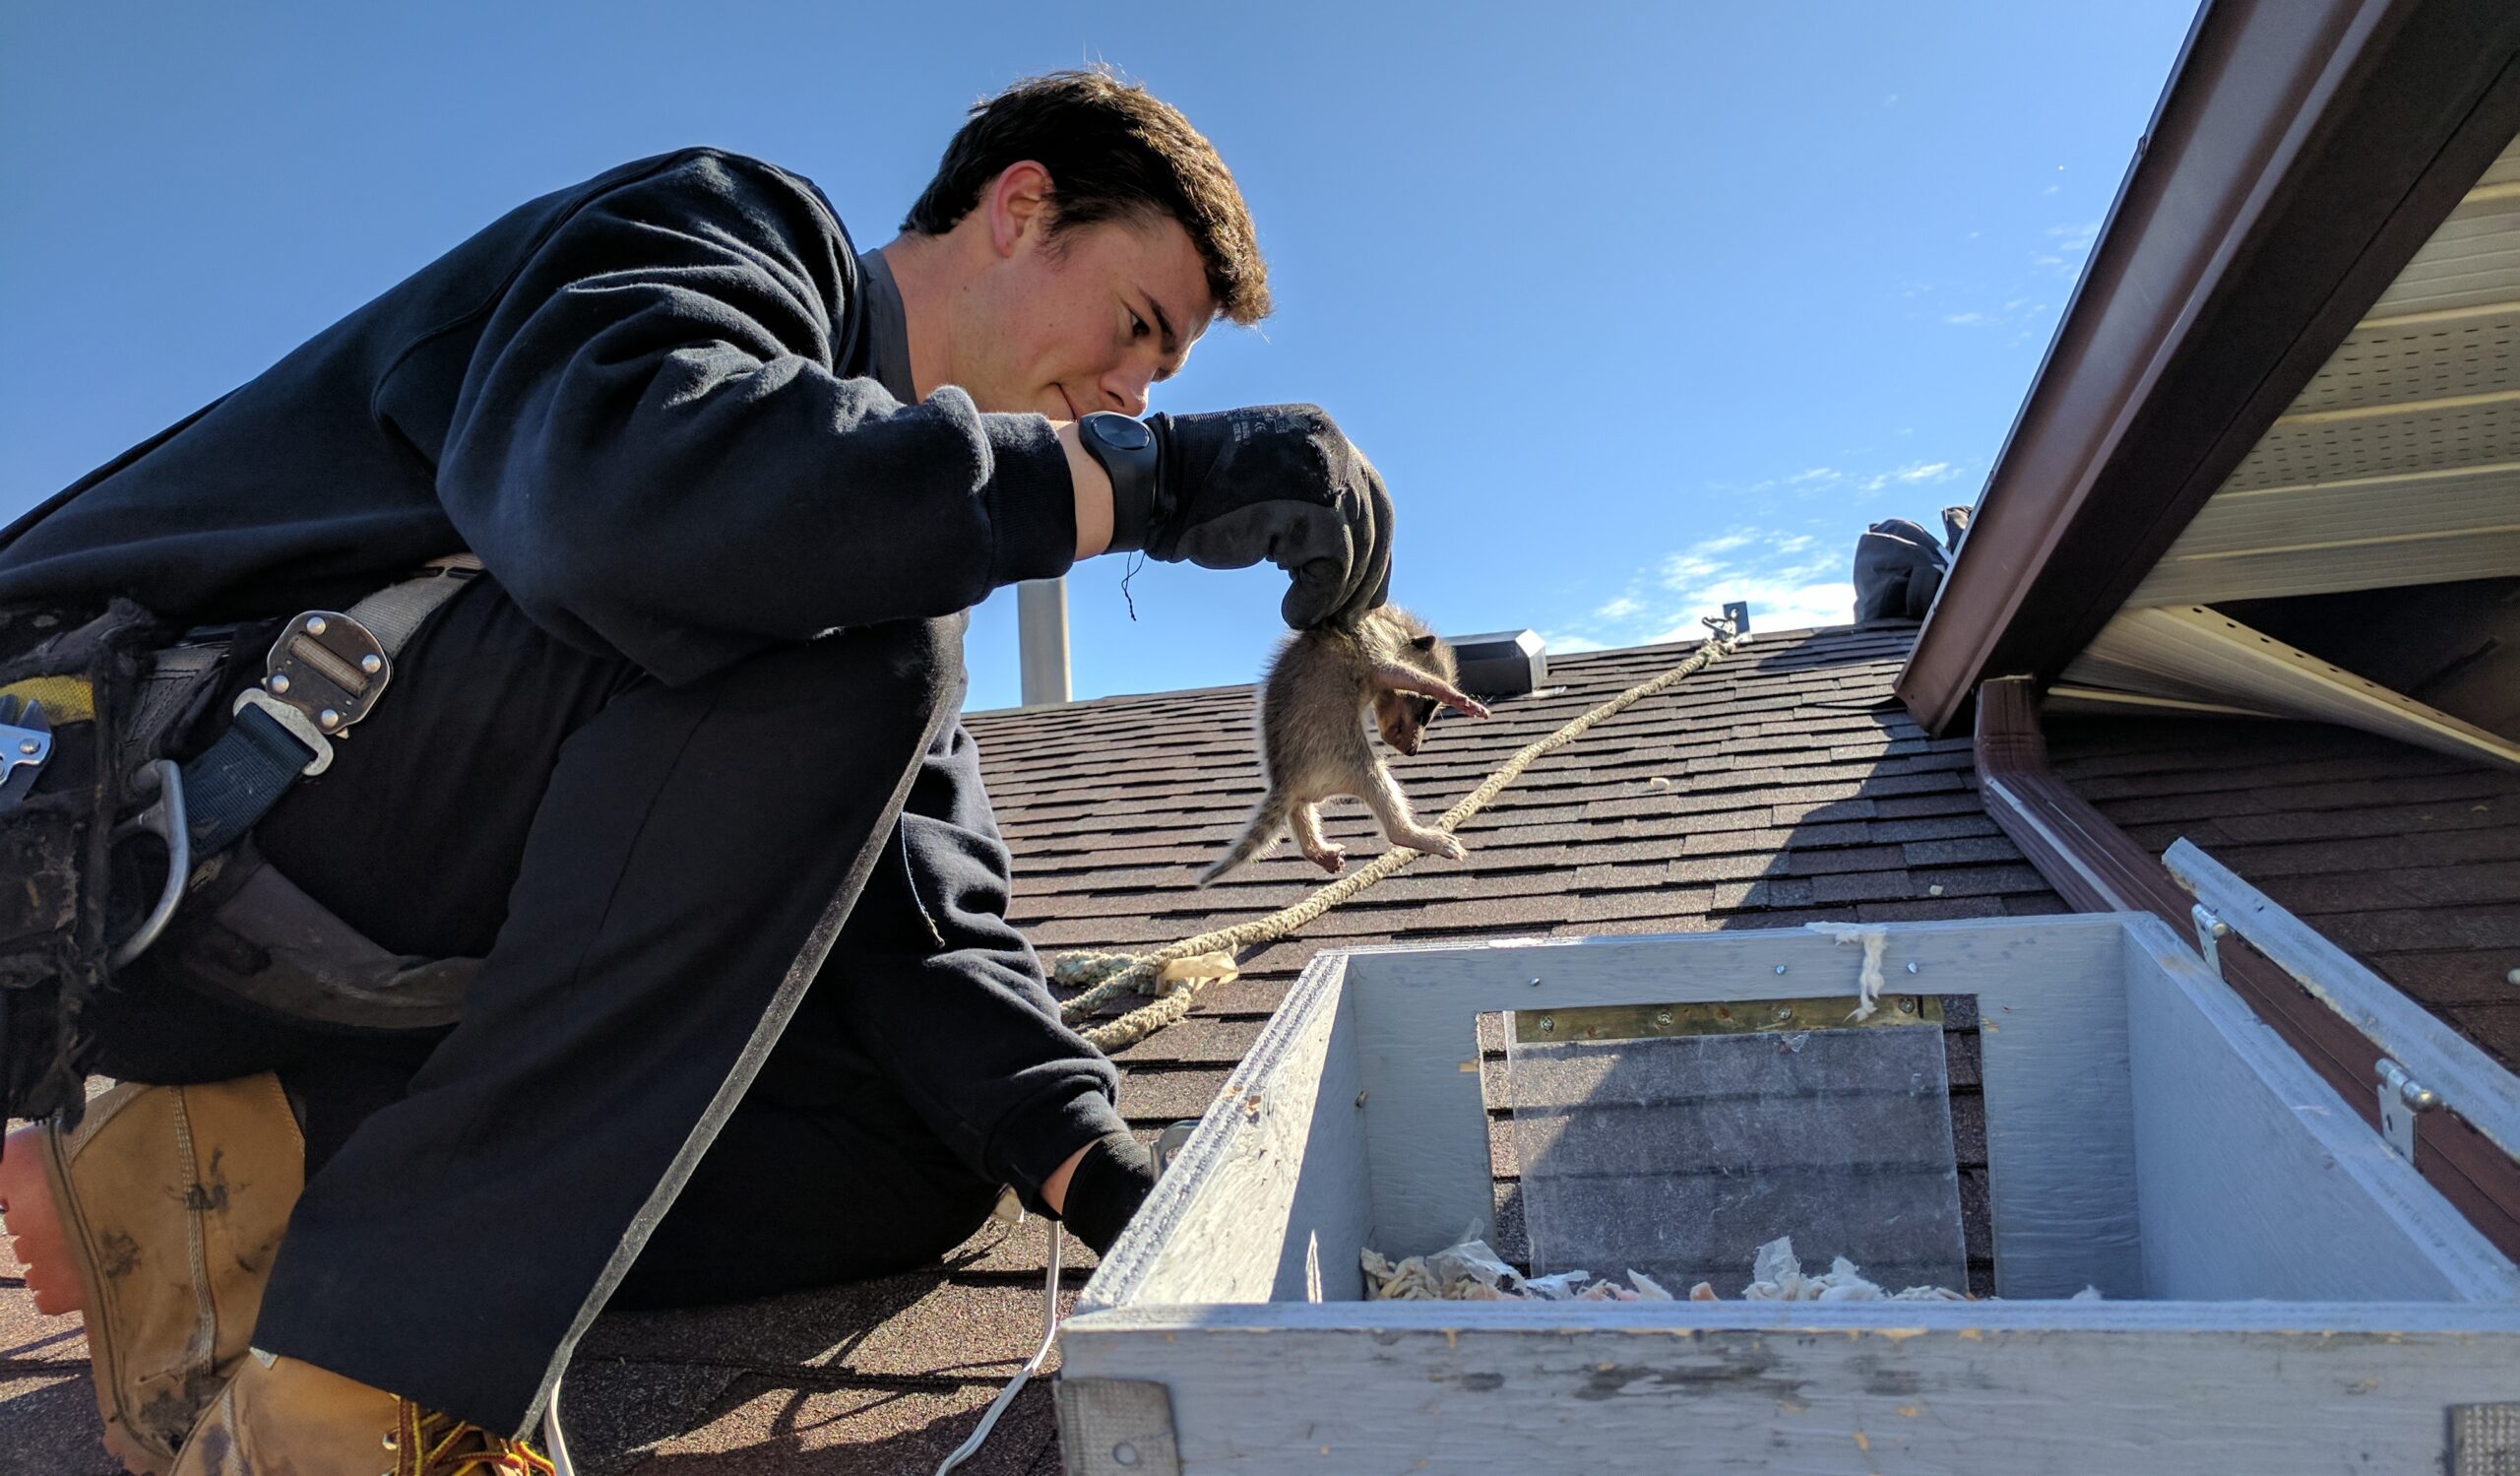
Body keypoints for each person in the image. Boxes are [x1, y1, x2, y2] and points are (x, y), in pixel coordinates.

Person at [0, 69, 1396, 1473]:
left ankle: (223, 1184)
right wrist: (1145, 483)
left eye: (1162, 383)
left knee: (906, 1150)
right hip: (99, 815)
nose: (1131, 392)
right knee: (848, 604)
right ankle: (362, 1394)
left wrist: (1118, 1189)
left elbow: (923, 919)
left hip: (300, 912)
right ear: (1021, 210)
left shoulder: (875, 558)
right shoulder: (723, 231)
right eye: (1137, 329)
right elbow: (628, 508)